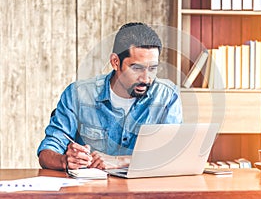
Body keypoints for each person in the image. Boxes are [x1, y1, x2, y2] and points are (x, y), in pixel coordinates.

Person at [37, 22, 183, 171]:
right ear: (115, 62)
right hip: (91, 191)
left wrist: (121, 161)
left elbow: (173, 155)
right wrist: (64, 160)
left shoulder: (167, 96)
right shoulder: (78, 94)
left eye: (152, 68)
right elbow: (46, 153)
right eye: (137, 68)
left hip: (144, 191)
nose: (146, 78)